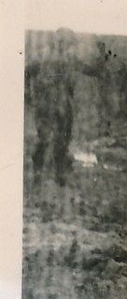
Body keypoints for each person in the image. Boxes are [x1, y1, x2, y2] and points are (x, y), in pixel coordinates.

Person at [27, 29, 77, 187]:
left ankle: (60, 174)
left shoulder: (69, 57)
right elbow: (27, 72)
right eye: (62, 42)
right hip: (46, 102)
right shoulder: (42, 55)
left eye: (68, 43)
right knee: (44, 138)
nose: (65, 45)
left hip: (62, 103)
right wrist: (28, 92)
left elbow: (70, 81)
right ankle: (37, 173)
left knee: (63, 139)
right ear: (56, 40)